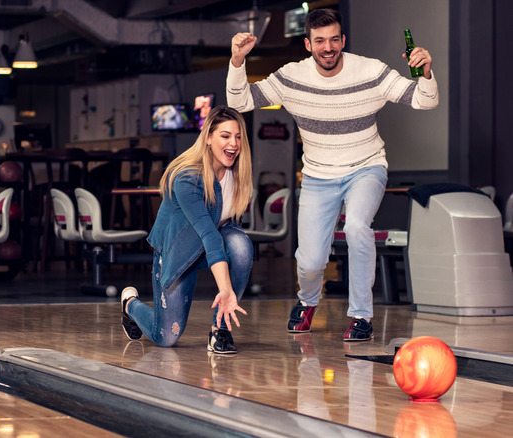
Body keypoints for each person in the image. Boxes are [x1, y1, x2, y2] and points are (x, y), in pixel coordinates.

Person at [226, 8, 439, 341]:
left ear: (343, 40)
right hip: (317, 175)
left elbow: (425, 102)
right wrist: (238, 62)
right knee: (310, 262)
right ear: (308, 45)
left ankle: (360, 315)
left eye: (334, 39)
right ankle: (308, 301)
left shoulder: (370, 71)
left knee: (356, 227)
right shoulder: (291, 77)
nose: (328, 47)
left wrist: (425, 73)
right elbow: (239, 102)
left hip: (366, 166)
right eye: (320, 41)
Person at [121, 106, 255, 354]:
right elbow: (209, 234)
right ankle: (130, 305)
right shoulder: (187, 177)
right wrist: (225, 289)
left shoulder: (237, 173)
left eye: (238, 137)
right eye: (225, 136)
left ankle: (219, 330)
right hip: (178, 252)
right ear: (208, 138)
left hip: (208, 250)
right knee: (167, 337)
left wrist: (227, 290)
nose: (234, 144)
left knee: (240, 244)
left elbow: (228, 230)